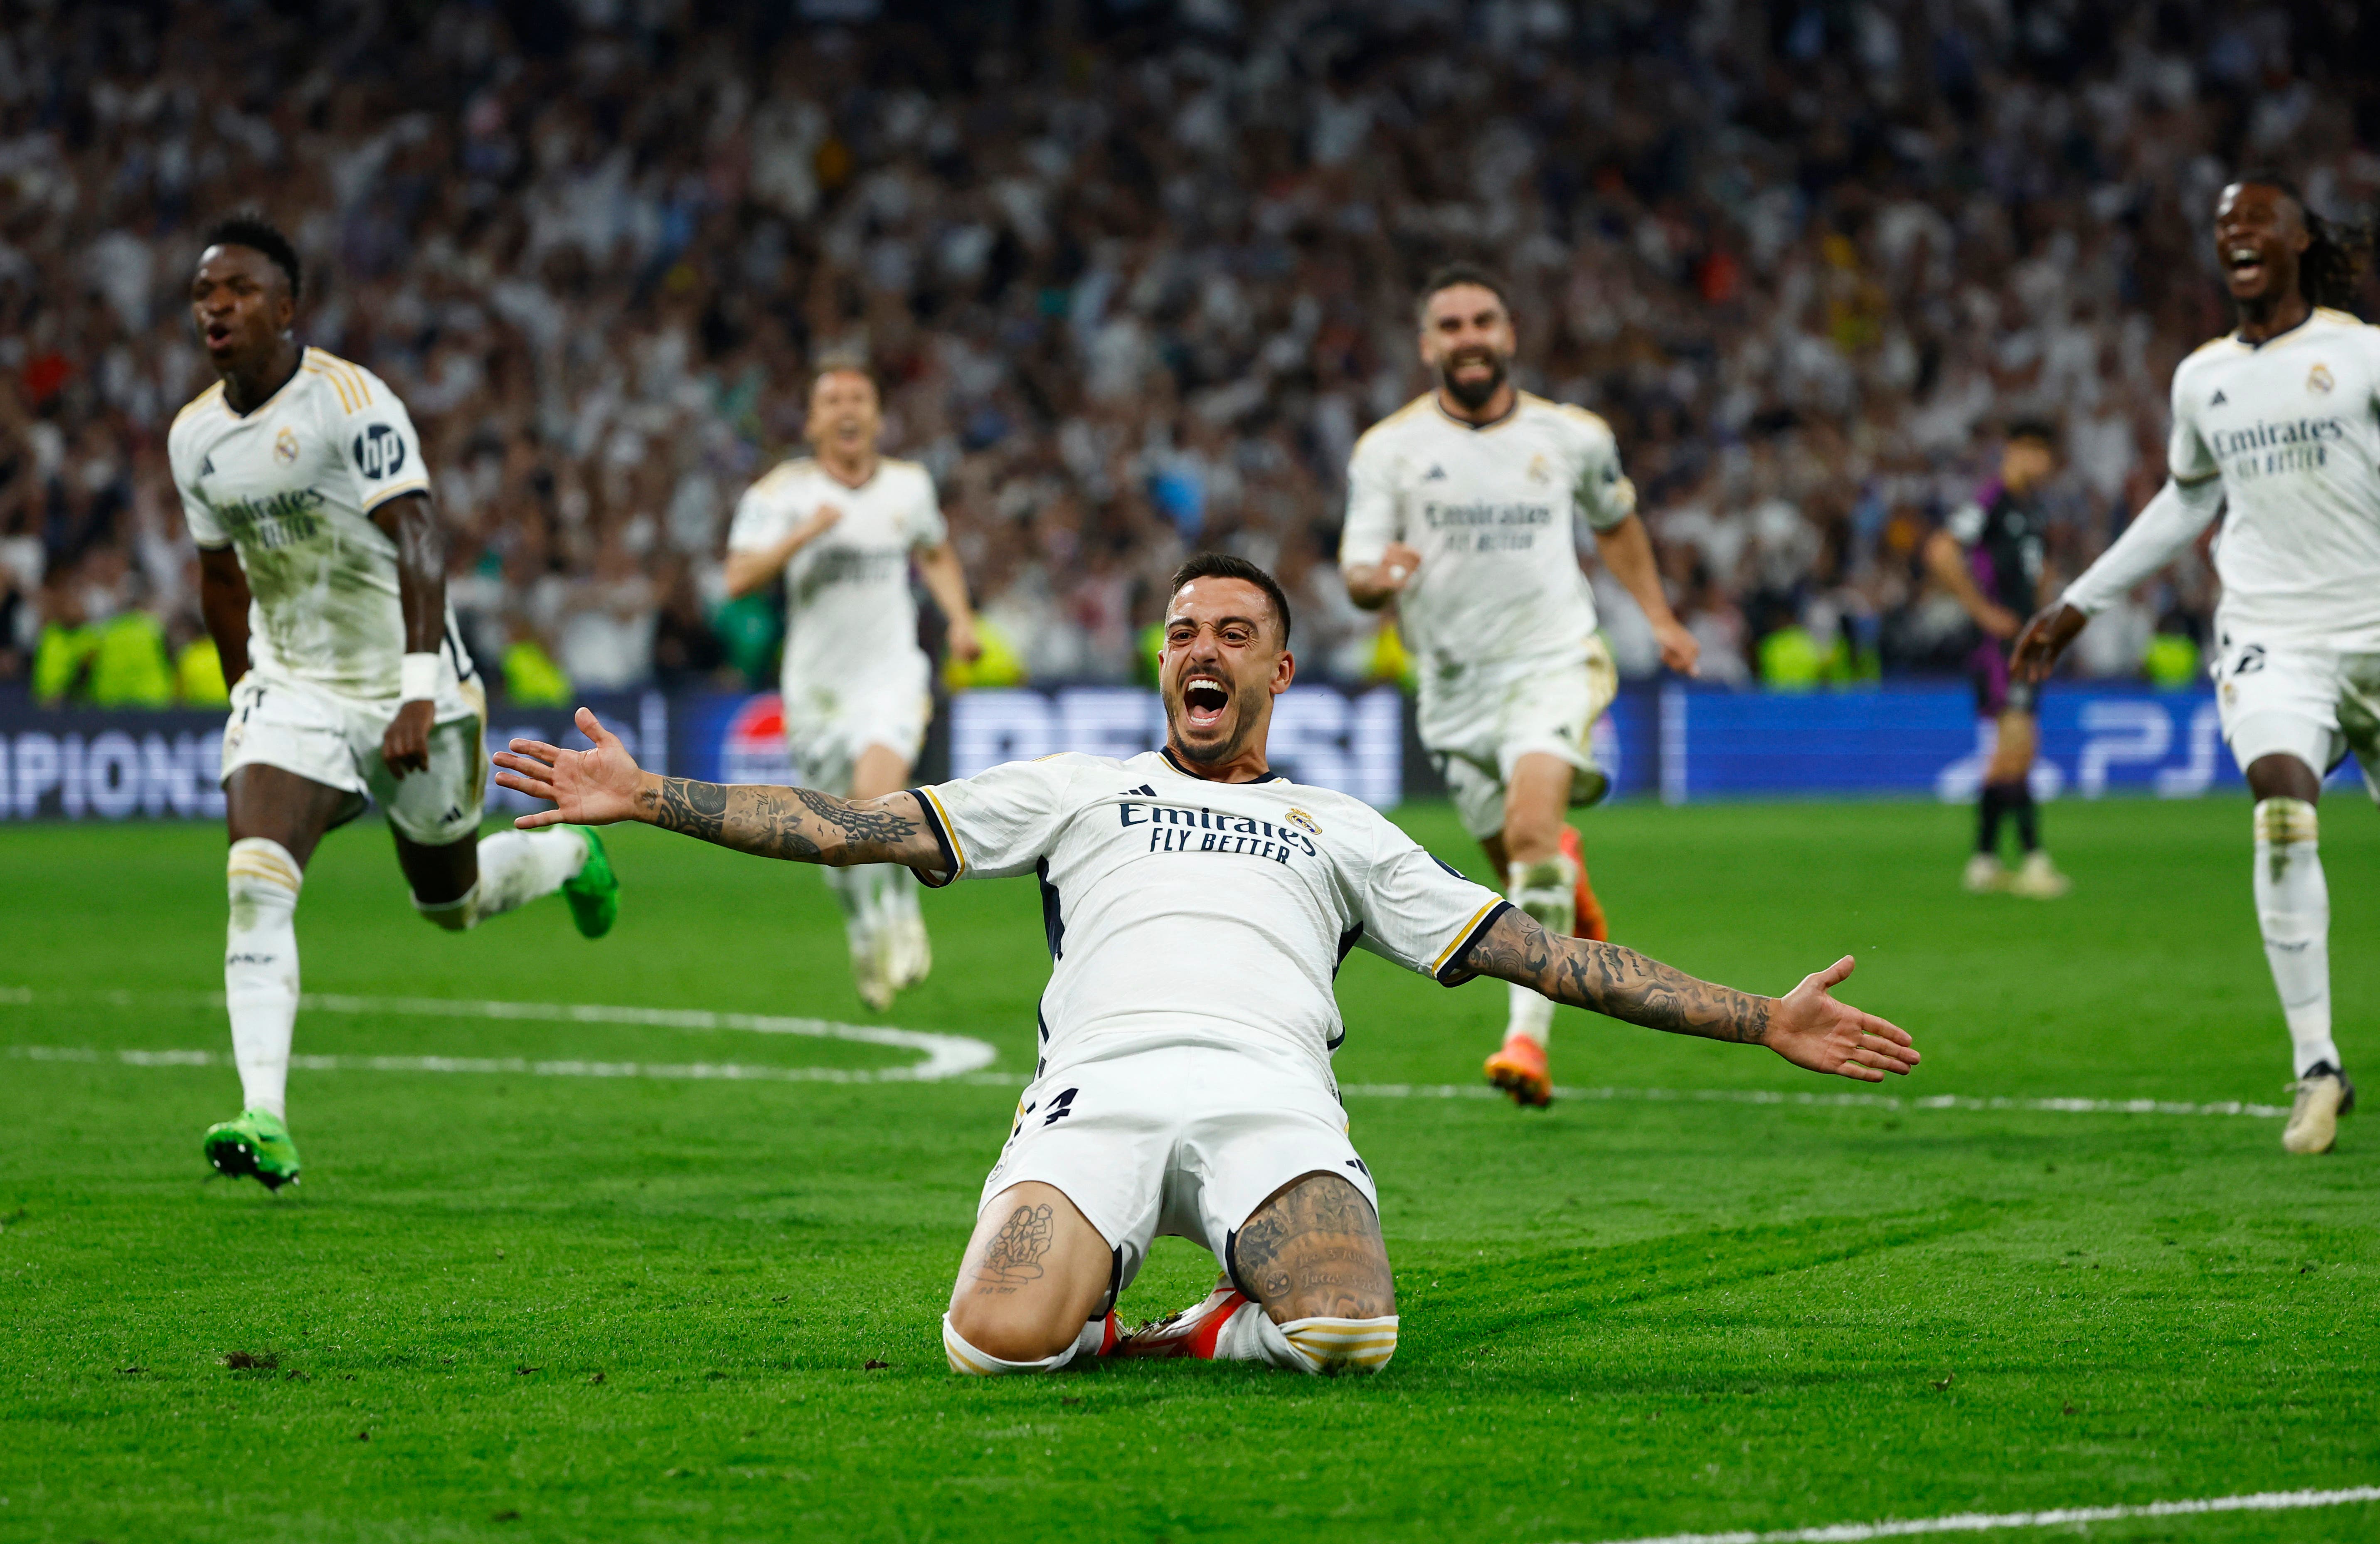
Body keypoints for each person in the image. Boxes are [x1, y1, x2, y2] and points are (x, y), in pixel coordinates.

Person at [495, 553, 1919, 1377]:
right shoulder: (1073, 789)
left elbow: (1541, 953)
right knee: (987, 1344)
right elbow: (853, 825)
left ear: (1278, 672)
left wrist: (1759, 1017)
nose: (1203, 648)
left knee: (1353, 1333)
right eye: (1183, 631)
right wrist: (651, 795)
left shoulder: (1338, 827)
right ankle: (1099, 1307)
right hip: (1096, 1097)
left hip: (1268, 1102)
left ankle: (1200, 1329)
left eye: (1234, 633)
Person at [172, 214, 618, 1191]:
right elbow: (220, 576)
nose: (216, 307)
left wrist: (417, 691)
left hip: (413, 683)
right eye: (204, 293)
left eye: (239, 290)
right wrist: (248, 693)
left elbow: (418, 535)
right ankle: (263, 1114)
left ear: (286, 308)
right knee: (255, 880)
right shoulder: (194, 437)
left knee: (449, 903)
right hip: (295, 685)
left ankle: (569, 856)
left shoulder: (350, 402)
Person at [2013, 175, 2379, 1155]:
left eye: (2257, 218)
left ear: (2301, 241)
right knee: (2281, 808)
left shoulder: (2360, 356)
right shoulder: (2202, 378)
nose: (2236, 233)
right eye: (2224, 224)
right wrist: (2079, 602)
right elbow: (2186, 500)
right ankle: (2317, 1065)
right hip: (2273, 635)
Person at [1339, 264, 1702, 1108]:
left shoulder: (1571, 436)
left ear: (1508, 334)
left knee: (1532, 830)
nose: (1469, 337)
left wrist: (1659, 617)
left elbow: (1616, 525)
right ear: (1427, 345)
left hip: (1552, 660)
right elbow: (1357, 568)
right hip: (1452, 685)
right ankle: (1565, 874)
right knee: (1517, 866)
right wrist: (1376, 580)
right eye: (1451, 325)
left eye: (1483, 321)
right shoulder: (1389, 450)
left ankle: (1525, 1042)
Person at [722, 362, 981, 1012]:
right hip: (817, 690)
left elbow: (935, 551)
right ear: (813, 423)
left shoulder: (908, 486)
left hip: (890, 674)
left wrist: (959, 618)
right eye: (832, 399)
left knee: (876, 794)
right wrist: (803, 534)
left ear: (876, 418)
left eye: (859, 398)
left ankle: (900, 910)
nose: (847, 408)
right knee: (832, 834)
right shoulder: (780, 494)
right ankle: (864, 927)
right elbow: (737, 578)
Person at [1924, 422, 2070, 898]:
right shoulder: (1990, 501)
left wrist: (2043, 624)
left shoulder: (2033, 508)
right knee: (2017, 746)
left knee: (2009, 756)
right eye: (2035, 452)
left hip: (2024, 642)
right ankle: (2032, 859)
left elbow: (2041, 571)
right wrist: (1982, 611)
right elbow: (1941, 550)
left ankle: (1984, 861)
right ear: (2014, 451)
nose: (2042, 464)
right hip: (1997, 646)